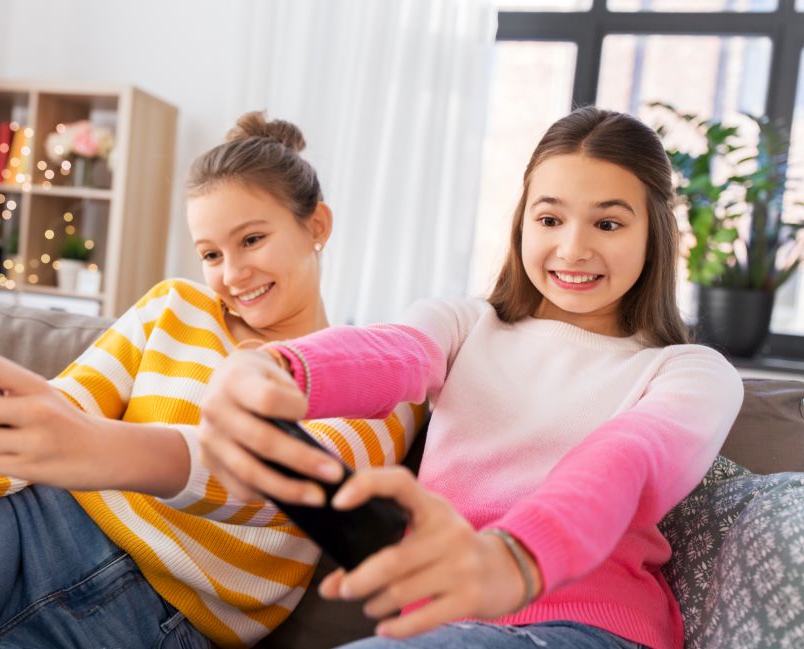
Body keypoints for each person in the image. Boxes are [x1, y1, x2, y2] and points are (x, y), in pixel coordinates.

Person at [0, 111, 424, 649]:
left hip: (158, 614)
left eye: (252, 240)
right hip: (29, 518)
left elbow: (305, 494)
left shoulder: (376, 370)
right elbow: (55, 416)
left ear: (316, 226)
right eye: (210, 253)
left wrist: (93, 449)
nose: (231, 274)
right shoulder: (173, 309)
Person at [195, 106, 744, 649]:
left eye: (608, 223)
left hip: (591, 629)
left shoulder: (690, 373)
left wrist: (515, 557)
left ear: (655, 233)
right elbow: (390, 352)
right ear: (521, 222)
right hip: (444, 630)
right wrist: (271, 367)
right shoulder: (464, 325)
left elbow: (628, 461)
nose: (573, 248)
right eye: (549, 219)